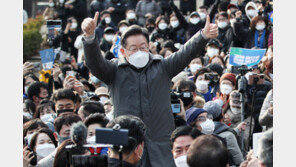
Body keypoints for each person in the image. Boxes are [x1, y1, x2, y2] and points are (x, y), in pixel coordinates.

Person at [81, 11, 218, 166]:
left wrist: (203, 35)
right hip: (127, 151)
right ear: (122, 51)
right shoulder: (114, 70)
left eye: (143, 47)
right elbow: (94, 63)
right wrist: (90, 37)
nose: (139, 52)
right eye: (133, 48)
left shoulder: (163, 67)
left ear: (149, 47)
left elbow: (185, 53)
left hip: (161, 150)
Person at [204, 101, 244, 166]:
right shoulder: (228, 136)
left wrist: (236, 130)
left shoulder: (200, 134)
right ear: (222, 115)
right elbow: (238, 161)